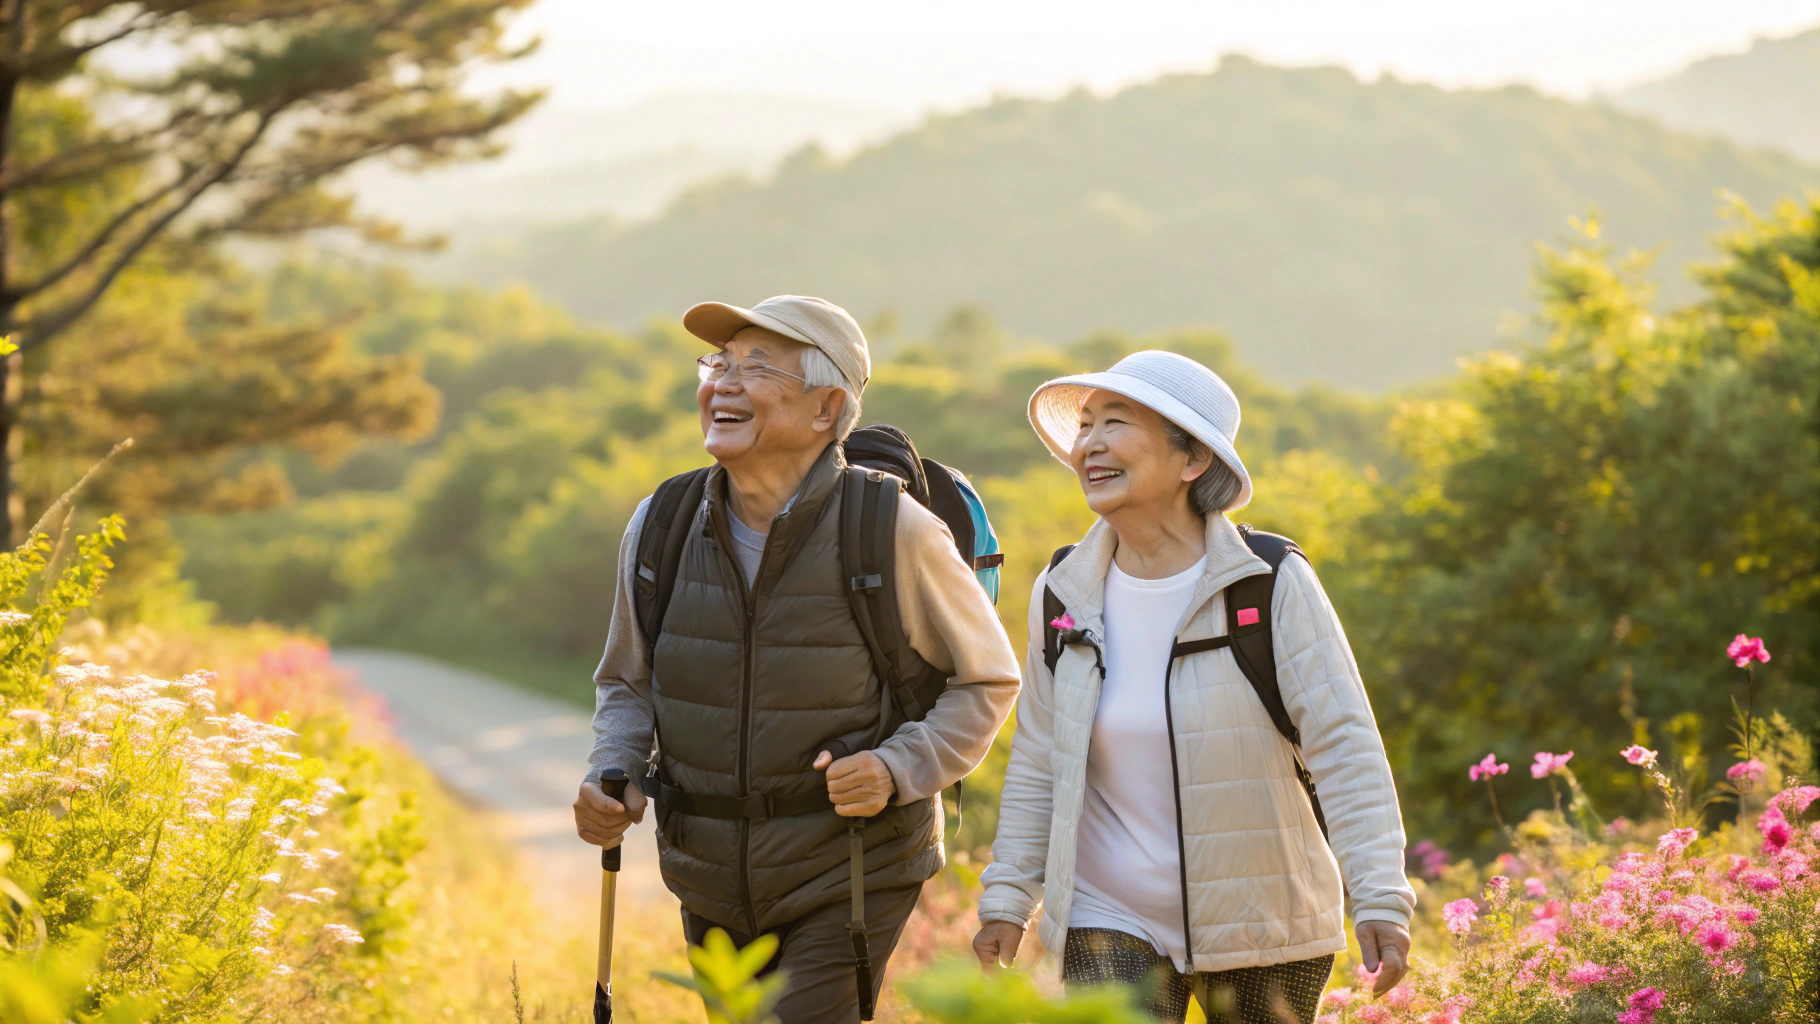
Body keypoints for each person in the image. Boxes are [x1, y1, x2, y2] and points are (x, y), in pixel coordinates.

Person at [574, 294, 1020, 1024]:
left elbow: (988, 679)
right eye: (718, 363)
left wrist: (897, 767)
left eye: (756, 367)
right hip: (709, 871)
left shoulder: (892, 529)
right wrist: (608, 773)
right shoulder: (662, 522)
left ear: (826, 408)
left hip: (849, 869)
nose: (722, 383)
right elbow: (627, 681)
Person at [971, 351, 1415, 1023]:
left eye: (1114, 424)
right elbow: (1039, 757)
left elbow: (1344, 745)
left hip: (1261, 912)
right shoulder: (1065, 590)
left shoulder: (1268, 583)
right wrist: (1008, 897)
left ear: (1192, 460)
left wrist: (1380, 895)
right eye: (1085, 426)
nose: (1089, 445)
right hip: (1107, 909)